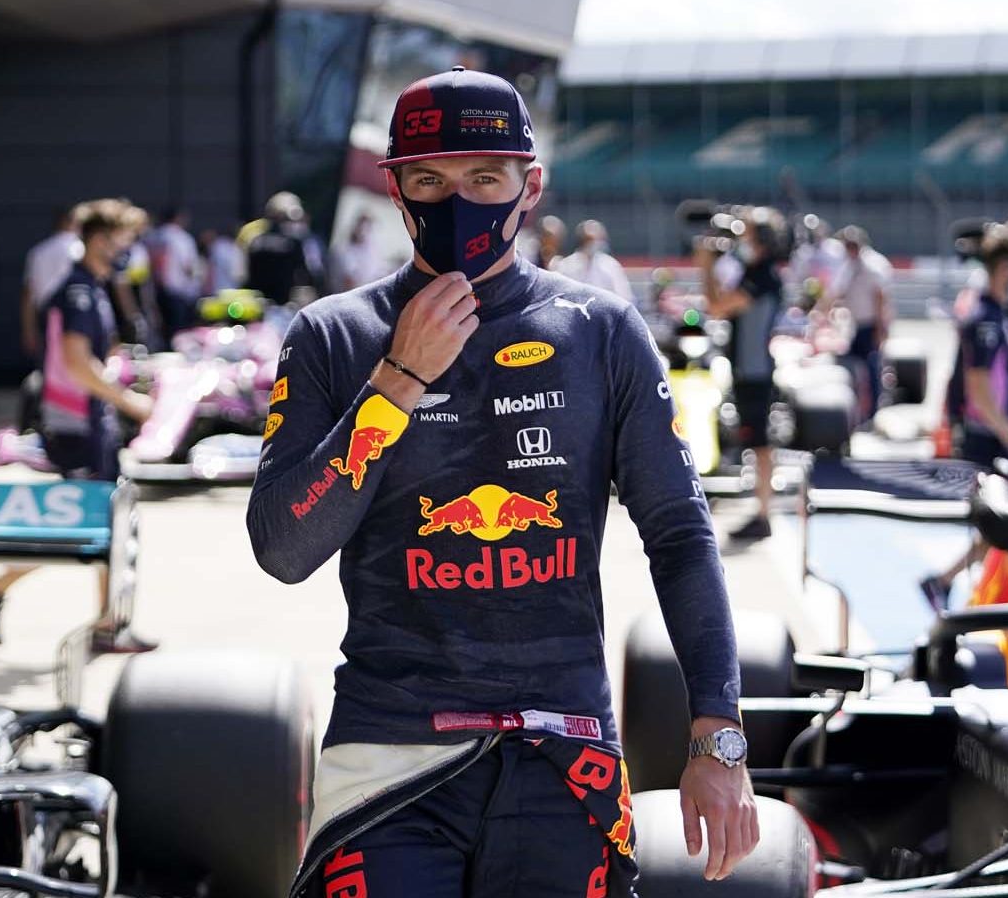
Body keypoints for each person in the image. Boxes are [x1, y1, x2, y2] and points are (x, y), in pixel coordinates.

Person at [247, 66, 758, 895]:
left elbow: (680, 534)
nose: (458, 202)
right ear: (396, 189)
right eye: (430, 180)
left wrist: (718, 738)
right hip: (390, 755)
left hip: (565, 754)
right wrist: (397, 384)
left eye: (484, 178)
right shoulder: (334, 335)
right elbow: (282, 547)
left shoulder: (599, 330)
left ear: (531, 185)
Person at [0, 199, 155, 648]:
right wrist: (129, 402)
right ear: (97, 240)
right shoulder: (78, 292)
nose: (125, 252)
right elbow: (75, 362)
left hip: (88, 423)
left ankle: (108, 624)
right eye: (121, 242)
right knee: (82, 528)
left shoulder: (88, 286)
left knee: (107, 524)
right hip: (77, 426)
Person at [920, 223, 1008, 612]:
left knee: (1001, 524)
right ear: (1007, 266)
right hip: (983, 433)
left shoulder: (995, 310)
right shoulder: (984, 316)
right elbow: (978, 386)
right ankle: (953, 584)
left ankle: (959, 586)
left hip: (990, 430)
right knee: (999, 521)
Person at [704, 207, 787, 542]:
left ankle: (764, 513)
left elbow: (716, 306)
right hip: (750, 369)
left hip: (754, 371)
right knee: (756, 444)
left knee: (760, 444)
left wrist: (705, 265)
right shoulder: (755, 272)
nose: (740, 240)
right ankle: (762, 510)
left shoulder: (761, 276)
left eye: (747, 235)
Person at [821, 225, 892, 422]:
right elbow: (838, 291)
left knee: (871, 367)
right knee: (852, 365)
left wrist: (881, 328)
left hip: (871, 324)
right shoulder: (850, 264)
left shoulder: (873, 265)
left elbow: (881, 299)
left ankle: (873, 411)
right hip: (856, 324)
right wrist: (823, 310)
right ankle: (859, 409)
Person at [22, 204, 85, 362]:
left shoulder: (38, 252)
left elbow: (28, 295)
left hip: (46, 316)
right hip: (76, 316)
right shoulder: (80, 249)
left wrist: (28, 330)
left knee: (48, 367)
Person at [243, 191, 324, 304]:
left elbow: (246, 276)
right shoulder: (293, 242)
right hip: (283, 304)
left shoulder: (255, 241)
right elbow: (308, 274)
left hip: (258, 303)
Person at [146, 204, 202, 336]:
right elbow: (188, 267)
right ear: (178, 218)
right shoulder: (182, 238)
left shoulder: (152, 236)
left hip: (153, 290)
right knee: (179, 334)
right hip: (178, 291)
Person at [551, 219, 634, 300]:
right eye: (589, 240)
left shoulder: (611, 265)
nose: (595, 243)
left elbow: (624, 296)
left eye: (598, 239)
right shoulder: (566, 265)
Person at [333, 214, 394, 292]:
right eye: (362, 228)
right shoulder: (343, 249)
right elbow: (349, 282)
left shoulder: (372, 248)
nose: (364, 233)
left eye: (368, 229)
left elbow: (378, 271)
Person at [200, 226, 241, 294]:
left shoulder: (218, 247)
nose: (202, 239)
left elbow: (211, 270)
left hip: (221, 290)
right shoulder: (231, 247)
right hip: (230, 289)